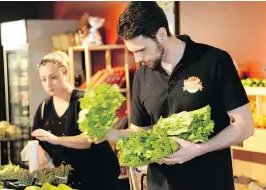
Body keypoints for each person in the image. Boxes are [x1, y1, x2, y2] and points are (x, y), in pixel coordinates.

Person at [96, 2, 255, 190]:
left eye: (141, 50)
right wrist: (108, 133)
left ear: (161, 35)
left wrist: (198, 149)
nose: (137, 59)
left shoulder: (215, 61)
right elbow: (140, 134)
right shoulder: (142, 75)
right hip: (160, 184)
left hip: (210, 182)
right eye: (133, 52)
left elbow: (245, 126)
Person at [31, 51, 120, 190]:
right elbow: (36, 139)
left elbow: (89, 139)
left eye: (53, 77)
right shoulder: (44, 107)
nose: (48, 84)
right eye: (43, 79)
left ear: (65, 72)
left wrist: (57, 140)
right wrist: (39, 150)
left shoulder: (86, 101)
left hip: (99, 178)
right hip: (67, 181)